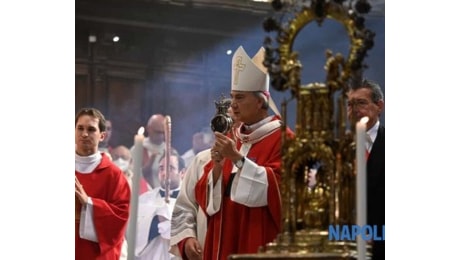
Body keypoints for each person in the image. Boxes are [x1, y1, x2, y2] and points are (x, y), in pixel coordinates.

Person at [170, 46, 294, 260]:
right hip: (222, 238)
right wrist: (217, 166)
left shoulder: (283, 138)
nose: (233, 106)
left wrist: (236, 158)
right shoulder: (234, 137)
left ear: (260, 101)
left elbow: (281, 191)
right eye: (232, 98)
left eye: (240, 98)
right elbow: (204, 198)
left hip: (258, 237)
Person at [75, 107, 131, 260]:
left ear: (102, 136)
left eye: (91, 129)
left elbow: (120, 217)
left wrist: (89, 203)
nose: (84, 134)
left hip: (96, 254)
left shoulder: (114, 175)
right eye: (80, 128)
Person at [346, 79, 385, 260]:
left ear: (379, 106)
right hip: (344, 241)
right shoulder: (340, 149)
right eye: (349, 104)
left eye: (361, 102)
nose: (354, 110)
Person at [134, 151, 185, 260]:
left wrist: (165, 222)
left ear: (182, 173)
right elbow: (135, 232)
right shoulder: (144, 199)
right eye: (161, 168)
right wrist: (159, 222)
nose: (164, 173)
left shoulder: (190, 199)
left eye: (170, 168)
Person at [136, 114, 178, 190]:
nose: (161, 136)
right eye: (158, 132)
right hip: (145, 194)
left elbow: (179, 176)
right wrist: (150, 163)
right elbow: (133, 176)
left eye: (163, 132)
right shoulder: (138, 148)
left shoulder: (171, 150)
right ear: (149, 129)